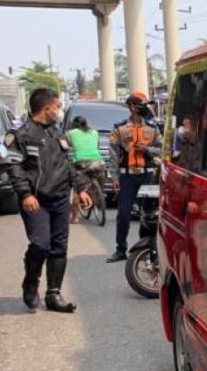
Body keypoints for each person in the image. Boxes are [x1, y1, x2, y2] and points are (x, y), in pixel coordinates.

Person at [5, 88, 92, 312]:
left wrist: (81, 188)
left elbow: (69, 164)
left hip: (61, 198)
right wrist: (25, 194)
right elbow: (14, 167)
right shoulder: (21, 135)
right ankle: (31, 283)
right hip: (36, 200)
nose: (60, 111)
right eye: (58, 107)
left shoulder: (56, 133)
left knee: (59, 247)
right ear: (46, 109)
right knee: (40, 244)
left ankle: (54, 294)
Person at [107, 92, 161, 262]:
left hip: (148, 177)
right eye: (142, 105)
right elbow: (113, 155)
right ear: (132, 107)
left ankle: (146, 248)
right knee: (123, 214)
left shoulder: (152, 128)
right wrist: (114, 178)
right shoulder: (119, 128)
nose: (146, 108)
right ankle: (120, 249)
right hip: (127, 178)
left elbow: (162, 150)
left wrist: (147, 150)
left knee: (149, 214)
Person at [66, 116, 104, 224]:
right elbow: (96, 146)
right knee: (98, 175)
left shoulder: (70, 133)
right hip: (97, 162)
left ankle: (74, 218)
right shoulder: (95, 132)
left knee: (76, 187)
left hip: (80, 163)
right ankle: (99, 196)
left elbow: (67, 146)